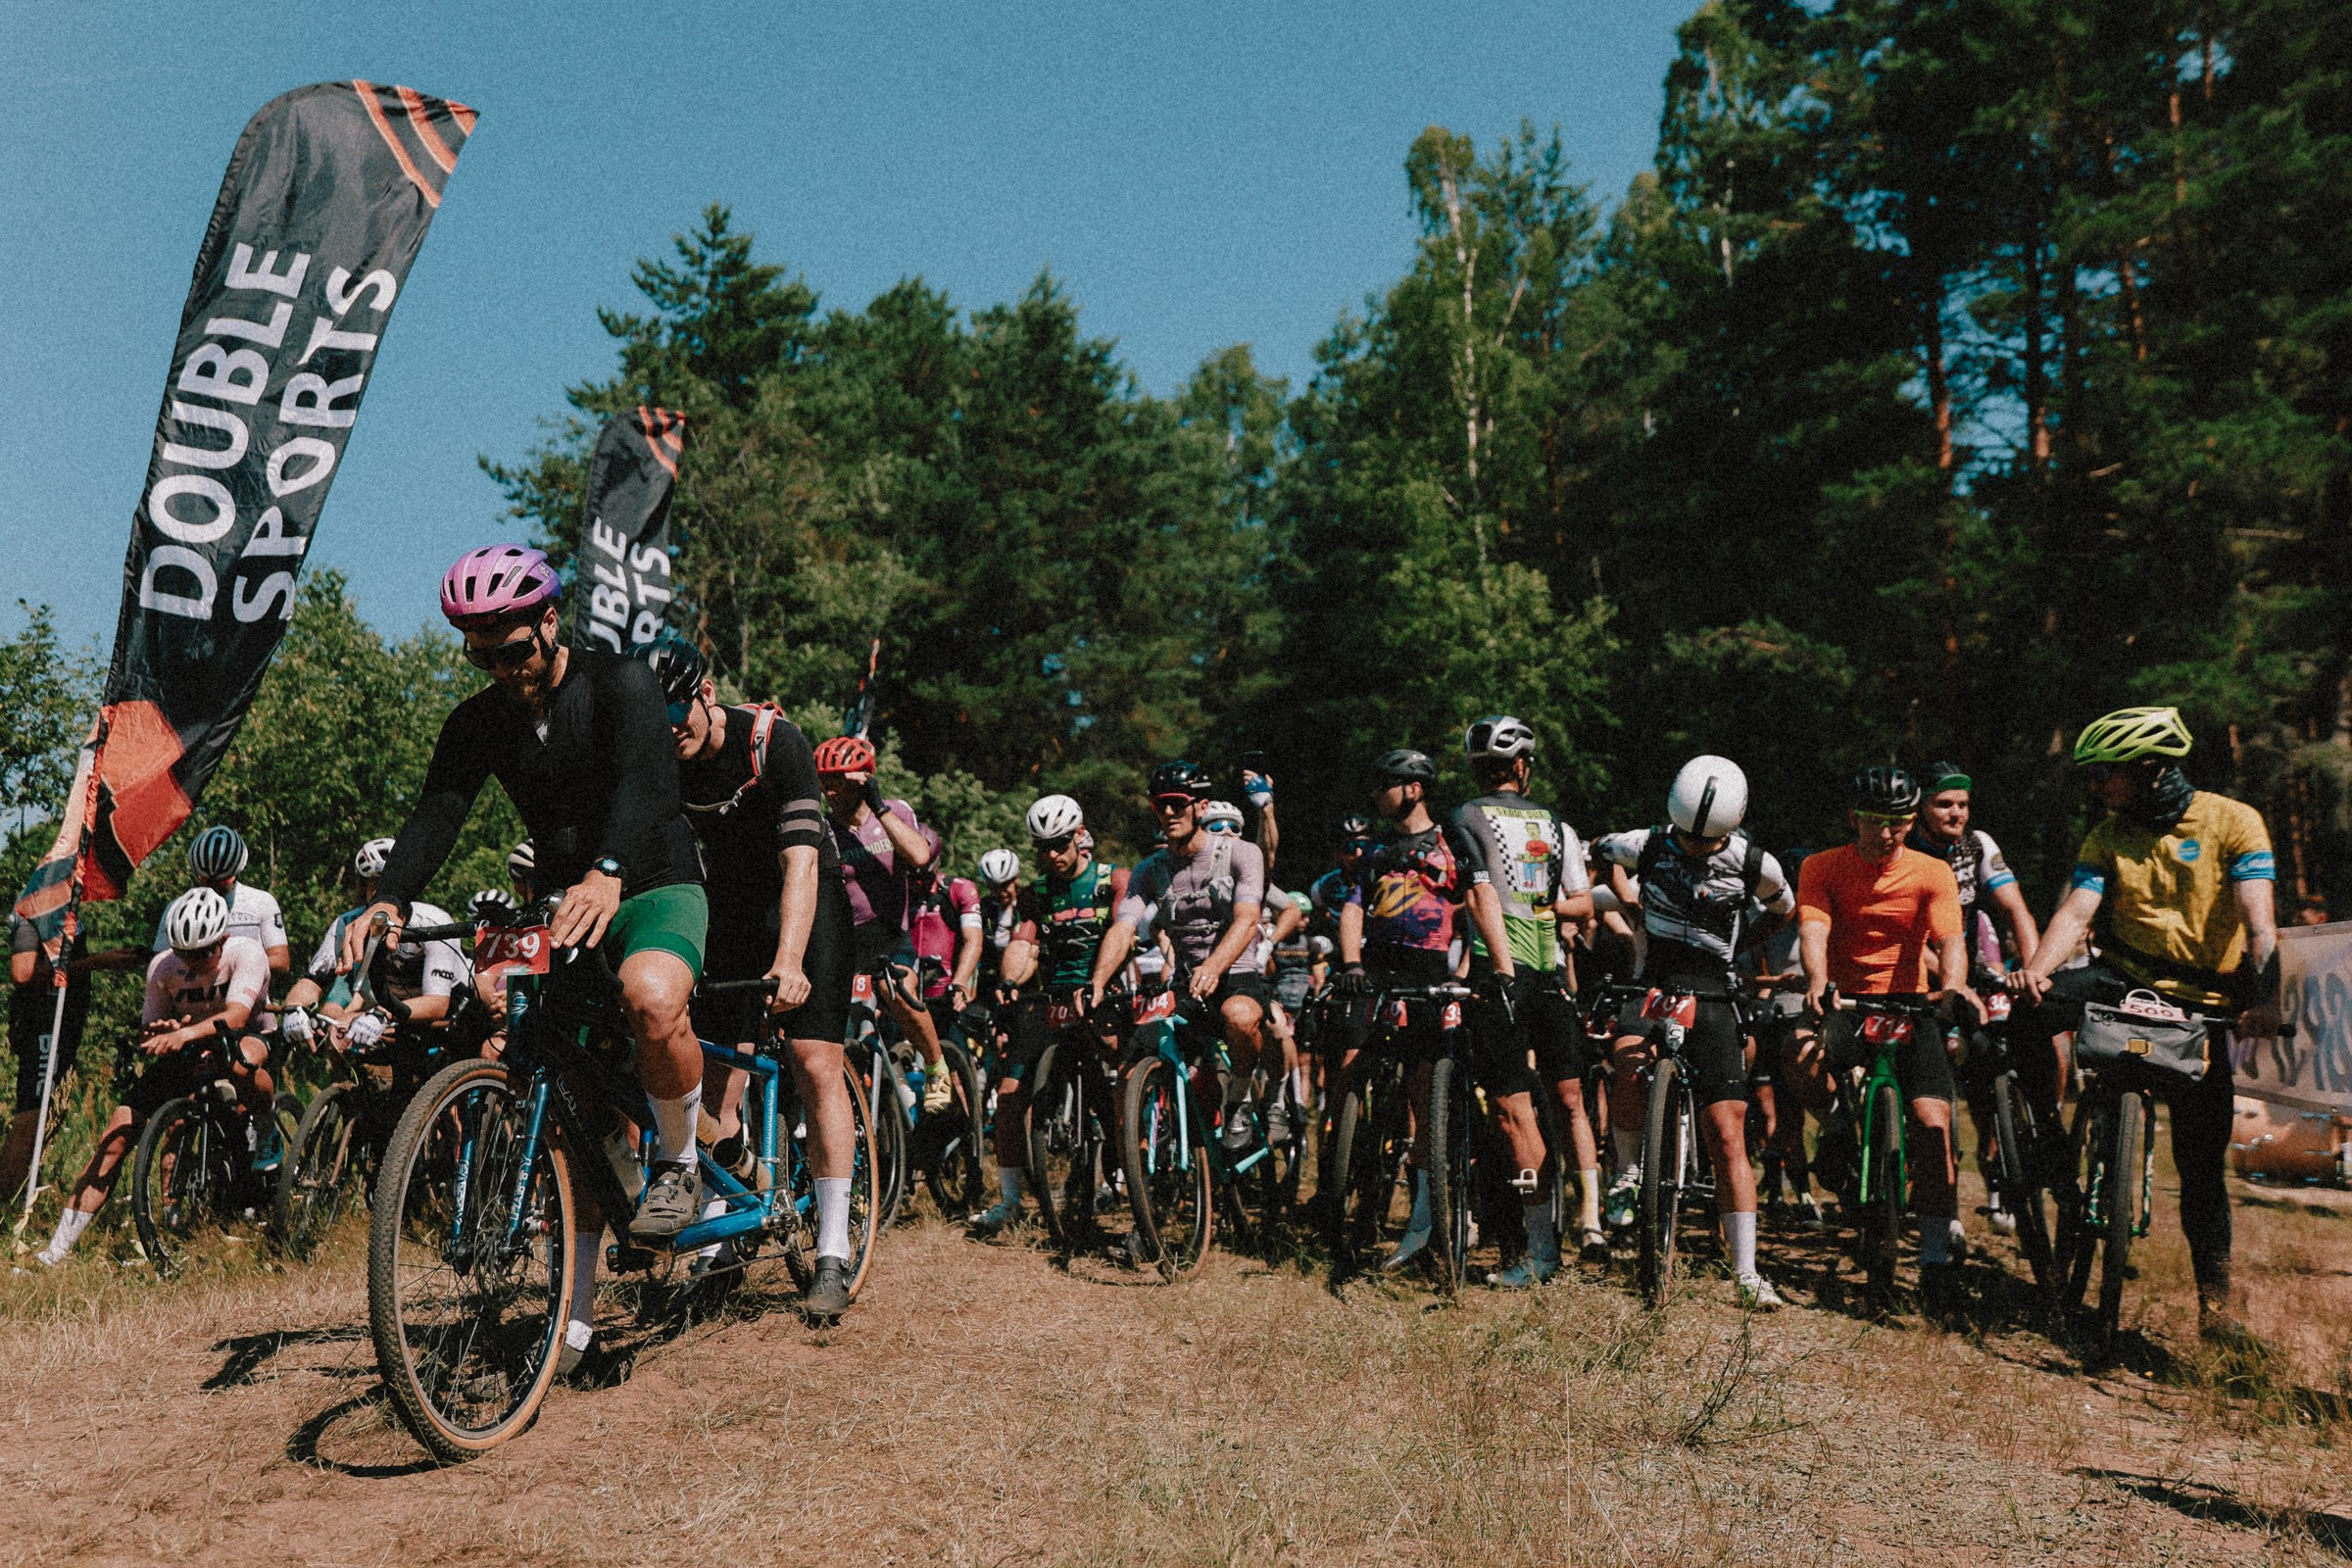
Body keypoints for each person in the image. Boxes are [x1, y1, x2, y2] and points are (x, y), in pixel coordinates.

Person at [347, 545, 710, 1374]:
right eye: (483, 656)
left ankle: (681, 1164)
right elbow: (439, 809)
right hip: (558, 901)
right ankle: (574, 1326)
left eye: (514, 650)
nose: (503, 669)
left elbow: (649, 787)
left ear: (552, 621)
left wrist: (610, 870)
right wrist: (390, 896)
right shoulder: (479, 721)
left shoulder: (620, 683)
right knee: (562, 1091)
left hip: (650, 877)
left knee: (650, 998)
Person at [2012, 706, 2278, 1343]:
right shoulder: (2107, 833)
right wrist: (2038, 971)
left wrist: (2265, 999)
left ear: (2150, 769)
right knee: (2025, 1014)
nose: (2095, 786)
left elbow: (2259, 923)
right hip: (2121, 975)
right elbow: (2077, 913)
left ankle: (2215, 1307)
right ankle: (2050, 1142)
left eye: (2105, 774)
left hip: (2205, 992)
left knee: (2202, 1164)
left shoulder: (2233, 822)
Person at [648, 633, 859, 1314]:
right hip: (733, 903)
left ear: (706, 695)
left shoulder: (774, 741)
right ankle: (724, 1230)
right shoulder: (663, 762)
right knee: (712, 1074)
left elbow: (799, 862)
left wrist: (791, 963)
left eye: (677, 713)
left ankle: (832, 1247)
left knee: (814, 1058)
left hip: (808, 893)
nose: (670, 731)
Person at [1593, 756, 1794, 1310]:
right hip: (1657, 982)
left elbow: (1785, 907)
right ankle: (1629, 1173)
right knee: (1628, 1061)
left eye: (1708, 842)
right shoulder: (1646, 843)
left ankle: (1748, 1270)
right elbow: (1598, 850)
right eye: (1686, 837)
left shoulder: (1756, 861)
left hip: (1714, 991)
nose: (1695, 847)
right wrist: (1630, 904)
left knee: (1728, 1132)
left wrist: (1744, 941)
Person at [1789, 765, 1982, 1311]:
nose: (1888, 833)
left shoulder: (1931, 871)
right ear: (1854, 818)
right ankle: (1833, 1126)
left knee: (1932, 1125)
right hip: (1845, 1000)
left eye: (1898, 822)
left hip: (1909, 1005)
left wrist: (1953, 986)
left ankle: (1937, 1261)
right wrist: (1818, 981)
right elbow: (1814, 928)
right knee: (1796, 1053)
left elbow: (1949, 937)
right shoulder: (1821, 866)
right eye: (1876, 822)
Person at [1444, 714, 1603, 1285]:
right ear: (1521, 766)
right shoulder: (1557, 823)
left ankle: (1541, 1251)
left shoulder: (1463, 815)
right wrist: (1546, 912)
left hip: (1500, 977)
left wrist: (1503, 971)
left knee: (1514, 1112)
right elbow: (1583, 905)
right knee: (1568, 1100)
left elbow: (1480, 891)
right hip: (1551, 978)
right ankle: (1590, 1221)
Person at [36, 889, 276, 1265]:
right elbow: (152, 1030)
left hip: (244, 1036)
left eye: (203, 954)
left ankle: (266, 1121)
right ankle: (54, 1252)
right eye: (184, 954)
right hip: (190, 1043)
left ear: (223, 940)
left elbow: (236, 1018)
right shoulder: (163, 967)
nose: (192, 963)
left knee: (242, 1062)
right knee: (116, 1134)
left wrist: (183, 1033)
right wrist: (161, 1030)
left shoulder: (246, 952)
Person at [1334, 748, 1469, 1273]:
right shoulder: (1376, 849)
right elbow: (1352, 907)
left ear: (1412, 788)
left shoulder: (1450, 843)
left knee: (1424, 1091)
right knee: (1352, 1076)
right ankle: (1345, 1188)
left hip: (1433, 975)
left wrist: (1464, 974)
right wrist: (1350, 962)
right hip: (1377, 973)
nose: (1376, 794)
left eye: (1384, 785)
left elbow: (1474, 906)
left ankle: (1429, 1215)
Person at [1089, 761, 1270, 1152]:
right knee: (1131, 1067)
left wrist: (1215, 966)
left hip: (1235, 973)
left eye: (1177, 803)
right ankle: (1141, 1168)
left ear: (1201, 807)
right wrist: (1098, 982)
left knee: (1239, 1018)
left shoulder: (1242, 853)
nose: (1168, 813)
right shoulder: (1150, 870)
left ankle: (1238, 1097)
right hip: (1185, 981)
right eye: (1159, 805)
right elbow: (1123, 927)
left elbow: (1247, 918)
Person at [973, 794, 1129, 1234]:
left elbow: (1123, 931)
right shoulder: (1035, 893)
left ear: (1080, 836)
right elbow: (1023, 946)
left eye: (1060, 844)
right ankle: (1009, 1200)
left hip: (1101, 993)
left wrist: (1099, 983)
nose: (1052, 855)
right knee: (1008, 1093)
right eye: (1042, 847)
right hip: (1051, 1002)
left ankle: (1132, 1178)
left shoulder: (1112, 879)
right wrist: (1008, 982)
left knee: (1124, 1080)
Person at [1907, 762, 2041, 1237]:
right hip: (1915, 966)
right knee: (1934, 1076)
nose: (1956, 813)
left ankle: (2002, 1169)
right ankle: (1931, 1191)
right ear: (1921, 808)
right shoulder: (1904, 848)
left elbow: (2016, 909)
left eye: (1963, 804)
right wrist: (1950, 978)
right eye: (1945, 804)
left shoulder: (1979, 845)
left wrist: (2036, 970)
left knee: (1994, 1057)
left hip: (1968, 964)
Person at [811, 733, 953, 1097]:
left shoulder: (895, 812)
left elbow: (920, 856)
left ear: (863, 779)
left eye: (839, 783)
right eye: (825, 783)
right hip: (847, 938)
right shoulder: (825, 829)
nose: (831, 792)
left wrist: (877, 806)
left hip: (891, 933)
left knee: (899, 992)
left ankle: (937, 1066)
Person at [280, 838, 468, 1054]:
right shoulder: (345, 924)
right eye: (377, 885)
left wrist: (381, 1013)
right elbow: (312, 981)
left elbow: (437, 1004)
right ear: (362, 887)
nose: (387, 895)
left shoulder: (435, 921)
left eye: (395, 885)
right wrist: (294, 1007)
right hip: (394, 1011)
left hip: (451, 1009)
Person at [3, 912, 98, 1208]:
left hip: (64, 1026)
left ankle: (18, 1200)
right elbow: (22, 972)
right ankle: (4, 1206)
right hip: (43, 1026)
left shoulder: (68, 907)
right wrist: (99, 961)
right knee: (33, 1116)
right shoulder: (33, 912)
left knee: (50, 1115)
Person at [150, 825, 291, 978]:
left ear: (235, 873)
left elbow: (281, 961)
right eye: (205, 879)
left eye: (222, 881)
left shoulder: (261, 901)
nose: (212, 887)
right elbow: (160, 965)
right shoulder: (177, 908)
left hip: (248, 997)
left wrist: (233, 968)